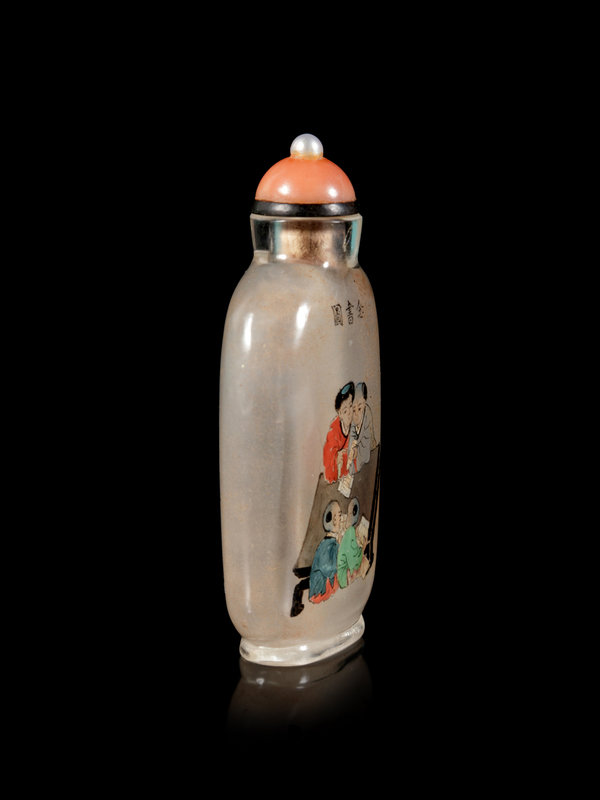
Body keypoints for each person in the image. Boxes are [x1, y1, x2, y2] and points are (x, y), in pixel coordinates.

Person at [309, 501, 343, 603]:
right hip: (319, 591)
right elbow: (327, 568)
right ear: (334, 520)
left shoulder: (333, 542)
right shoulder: (326, 545)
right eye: (339, 516)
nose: (341, 520)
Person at [323, 382, 354, 484]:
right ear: (340, 414)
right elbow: (328, 462)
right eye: (345, 411)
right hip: (336, 480)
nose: (349, 412)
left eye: (351, 406)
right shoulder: (333, 433)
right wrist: (338, 457)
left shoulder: (355, 425)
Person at [337, 497, 364, 589]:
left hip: (343, 573)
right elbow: (353, 557)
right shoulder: (350, 531)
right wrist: (362, 548)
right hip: (343, 576)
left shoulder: (349, 531)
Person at [348, 382, 375, 476]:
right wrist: (352, 447)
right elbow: (352, 435)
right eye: (353, 409)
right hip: (357, 453)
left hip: (369, 451)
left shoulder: (367, 413)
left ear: (364, 404)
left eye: (359, 408)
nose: (356, 414)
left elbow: (367, 439)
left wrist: (356, 447)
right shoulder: (352, 416)